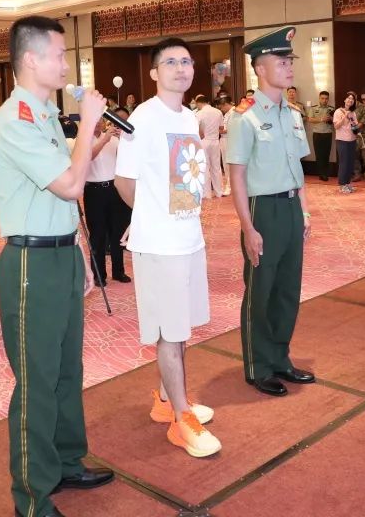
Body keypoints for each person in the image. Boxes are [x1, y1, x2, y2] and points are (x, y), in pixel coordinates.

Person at [0, 15, 113, 517]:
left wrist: (79, 249)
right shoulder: (14, 119)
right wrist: (88, 124)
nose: (66, 64)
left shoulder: (43, 114)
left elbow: (65, 186)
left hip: (60, 253)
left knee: (66, 370)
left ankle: (65, 461)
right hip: (30, 263)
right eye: (59, 55)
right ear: (31, 59)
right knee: (37, 380)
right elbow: (69, 185)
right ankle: (33, 495)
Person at [114, 38, 221, 458]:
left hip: (189, 237)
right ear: (155, 72)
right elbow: (124, 181)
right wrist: (147, 219)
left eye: (186, 61)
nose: (181, 68)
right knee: (169, 335)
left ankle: (165, 401)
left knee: (181, 328)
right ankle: (180, 419)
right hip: (160, 244)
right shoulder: (143, 117)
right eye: (171, 62)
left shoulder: (189, 116)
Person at [226, 26, 315, 397]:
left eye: (290, 61)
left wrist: (304, 213)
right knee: (260, 291)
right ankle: (258, 366)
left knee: (287, 290)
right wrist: (248, 227)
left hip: (292, 207)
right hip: (262, 210)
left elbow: (299, 169)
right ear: (260, 69)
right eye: (282, 61)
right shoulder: (243, 118)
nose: (289, 67)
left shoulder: (292, 114)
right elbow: (237, 176)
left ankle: (280, 358)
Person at [83, 111, 132, 286]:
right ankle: (99, 275)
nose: (98, 123)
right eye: (94, 120)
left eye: (100, 120)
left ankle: (118, 271)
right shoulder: (83, 140)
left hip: (114, 189)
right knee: (97, 234)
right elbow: (87, 158)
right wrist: (104, 140)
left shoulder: (114, 139)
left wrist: (124, 137)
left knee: (117, 232)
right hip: (94, 191)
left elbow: (128, 157)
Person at [194, 94, 225, 198]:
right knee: (216, 167)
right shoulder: (218, 112)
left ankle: (207, 194)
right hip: (215, 141)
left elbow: (195, 127)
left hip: (204, 141)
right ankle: (218, 192)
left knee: (205, 167)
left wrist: (202, 132)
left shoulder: (199, 113)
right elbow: (221, 127)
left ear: (199, 103)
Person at [333, 92, 359, 194]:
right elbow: (336, 126)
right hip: (342, 140)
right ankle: (342, 184)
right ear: (344, 100)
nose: (350, 100)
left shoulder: (353, 113)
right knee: (343, 162)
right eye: (348, 98)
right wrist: (345, 116)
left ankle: (347, 183)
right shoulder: (338, 111)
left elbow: (355, 127)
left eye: (352, 99)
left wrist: (354, 124)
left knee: (350, 163)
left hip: (352, 140)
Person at [307, 90, 334, 181]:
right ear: (319, 98)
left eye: (326, 99)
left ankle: (325, 173)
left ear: (328, 99)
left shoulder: (332, 109)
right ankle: (321, 174)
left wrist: (331, 119)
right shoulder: (314, 108)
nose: (324, 100)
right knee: (319, 155)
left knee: (326, 154)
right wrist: (322, 119)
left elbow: (335, 121)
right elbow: (310, 120)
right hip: (317, 134)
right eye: (322, 98)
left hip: (327, 134)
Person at [217, 96, 235, 195]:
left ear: (225, 104)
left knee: (228, 165)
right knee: (226, 164)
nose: (221, 109)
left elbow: (231, 128)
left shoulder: (234, 112)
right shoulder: (228, 113)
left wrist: (218, 130)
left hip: (229, 139)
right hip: (224, 139)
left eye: (221, 107)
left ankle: (229, 187)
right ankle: (229, 186)